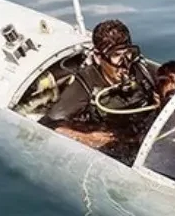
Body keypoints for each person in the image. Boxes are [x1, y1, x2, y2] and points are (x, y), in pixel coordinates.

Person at [39, 20, 154, 155]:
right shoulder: (85, 86)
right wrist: (86, 138)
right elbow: (46, 126)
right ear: (99, 57)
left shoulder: (140, 70)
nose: (125, 64)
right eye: (116, 55)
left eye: (127, 53)